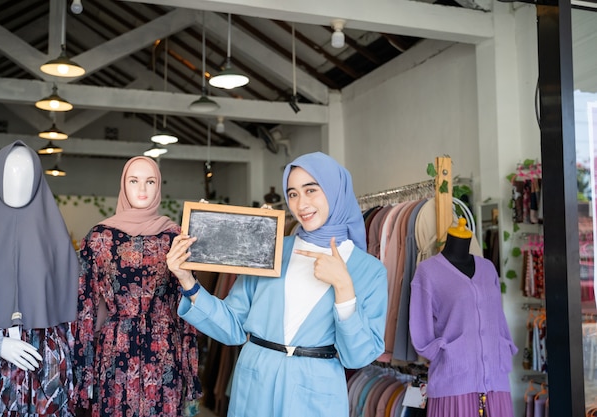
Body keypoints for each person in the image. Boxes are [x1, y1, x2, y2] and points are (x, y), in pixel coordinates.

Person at [166, 151, 388, 417]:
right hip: (256, 380)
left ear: (335, 190)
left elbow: (358, 358)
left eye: (311, 190)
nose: (301, 203)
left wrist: (344, 289)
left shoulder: (369, 270)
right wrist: (187, 280)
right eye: (292, 193)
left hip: (317, 389)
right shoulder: (272, 251)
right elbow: (233, 327)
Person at [72, 156, 202, 417]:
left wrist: (190, 373)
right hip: (115, 350)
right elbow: (83, 308)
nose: (142, 189)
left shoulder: (176, 237)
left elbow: (187, 304)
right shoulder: (99, 238)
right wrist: (81, 374)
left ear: (158, 186)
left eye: (150, 181)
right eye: (134, 181)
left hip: (165, 351)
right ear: (124, 184)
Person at [0, 140, 79, 416]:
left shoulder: (53, 236)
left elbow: (71, 312)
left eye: (26, 175)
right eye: (10, 174)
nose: (18, 183)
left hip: (43, 372)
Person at [409, 218, 517, 417]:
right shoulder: (428, 272)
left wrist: (503, 347)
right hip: (453, 382)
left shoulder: (488, 268)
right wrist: (446, 352)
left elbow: (498, 319)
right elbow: (420, 329)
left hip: (496, 380)